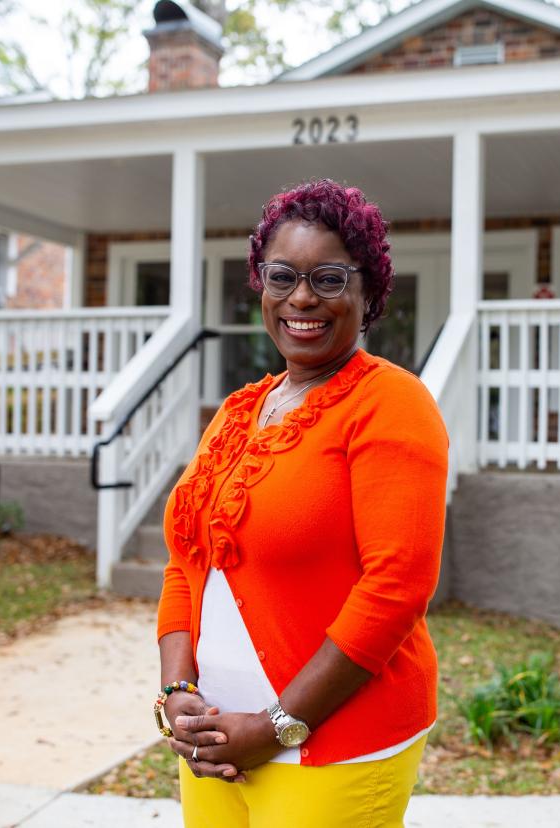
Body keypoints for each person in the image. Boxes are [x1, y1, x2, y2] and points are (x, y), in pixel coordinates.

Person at [154, 179, 448, 827]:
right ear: (260, 285)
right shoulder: (236, 412)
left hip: (335, 747)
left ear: (369, 293)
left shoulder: (390, 404)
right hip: (214, 740)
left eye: (331, 278)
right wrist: (178, 693)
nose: (303, 298)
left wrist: (276, 726)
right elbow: (186, 564)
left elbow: (396, 588)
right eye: (282, 276)